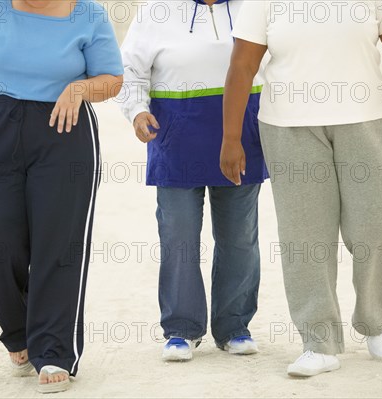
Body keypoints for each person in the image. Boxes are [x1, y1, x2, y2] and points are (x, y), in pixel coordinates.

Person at [221, 0, 382, 376]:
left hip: (365, 122)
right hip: (288, 127)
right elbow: (242, 64)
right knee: (305, 237)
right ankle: (318, 343)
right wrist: (231, 136)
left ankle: (374, 322)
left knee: (377, 224)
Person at [0, 0, 123, 392]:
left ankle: (54, 350)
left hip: (64, 129)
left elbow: (112, 78)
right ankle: (18, 331)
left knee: (57, 243)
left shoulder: (88, 13)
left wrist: (80, 87)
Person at [120, 0, 268, 361]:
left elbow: (278, 65)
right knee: (178, 236)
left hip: (242, 138)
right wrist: (137, 111)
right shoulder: (156, 10)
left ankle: (234, 326)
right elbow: (130, 70)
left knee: (238, 238)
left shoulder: (254, 7)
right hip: (174, 140)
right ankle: (181, 329)